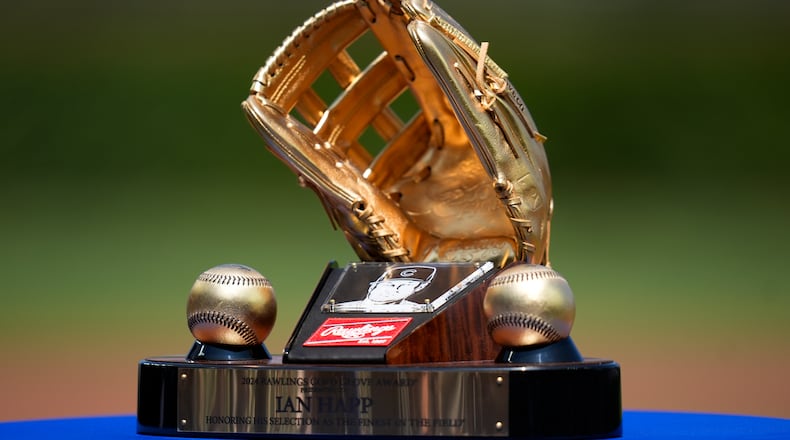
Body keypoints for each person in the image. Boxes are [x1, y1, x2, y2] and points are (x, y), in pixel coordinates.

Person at [328, 265, 437, 313]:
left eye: (403, 286)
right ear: (373, 286)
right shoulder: (343, 308)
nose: (392, 290)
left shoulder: (417, 309)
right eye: (388, 285)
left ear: (418, 289)